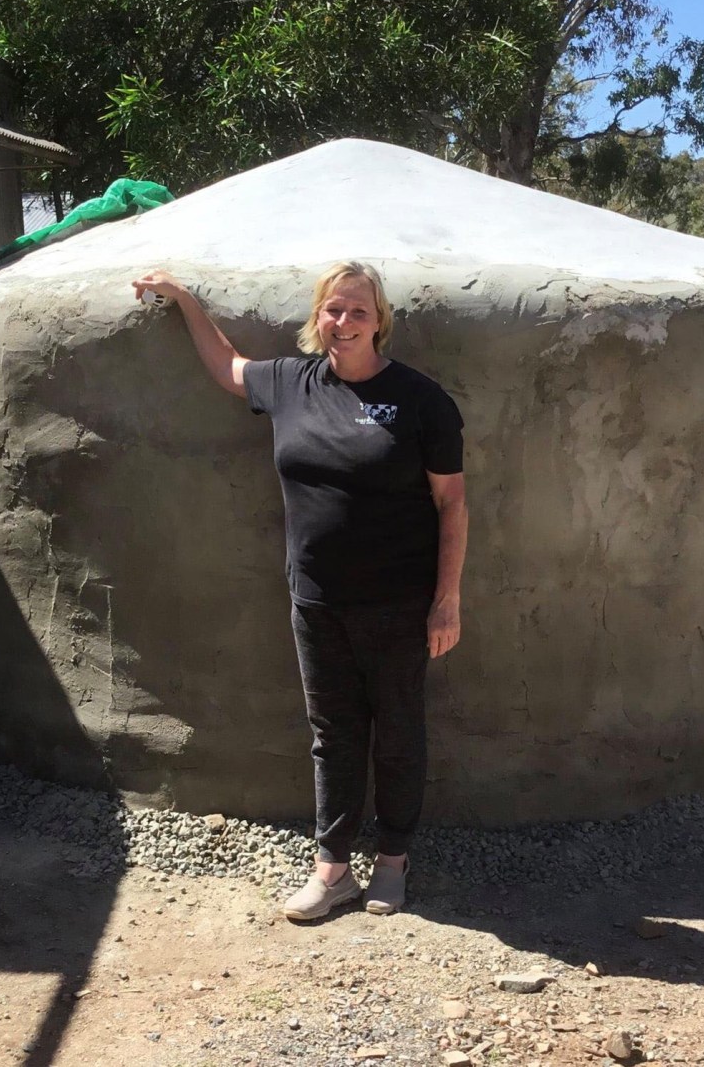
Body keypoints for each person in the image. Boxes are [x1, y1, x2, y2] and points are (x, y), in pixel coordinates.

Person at [131, 262, 467, 919]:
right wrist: (184, 300)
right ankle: (333, 868)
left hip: (399, 604)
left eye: (358, 312)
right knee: (333, 732)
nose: (343, 323)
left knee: (397, 730)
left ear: (380, 323)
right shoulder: (290, 383)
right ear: (318, 316)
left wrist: (447, 599)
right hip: (315, 600)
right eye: (333, 310)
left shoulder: (421, 401)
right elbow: (228, 367)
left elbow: (451, 502)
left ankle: (393, 860)